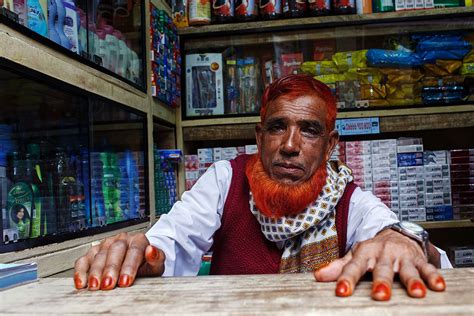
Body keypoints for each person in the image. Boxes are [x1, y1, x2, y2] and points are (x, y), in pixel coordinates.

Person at [74, 74, 450, 301]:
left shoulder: (351, 201)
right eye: (277, 127)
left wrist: (404, 241)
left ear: (331, 145)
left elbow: (389, 233)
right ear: (259, 136)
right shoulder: (226, 181)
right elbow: (170, 243)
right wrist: (142, 252)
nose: (289, 145)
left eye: (310, 130)